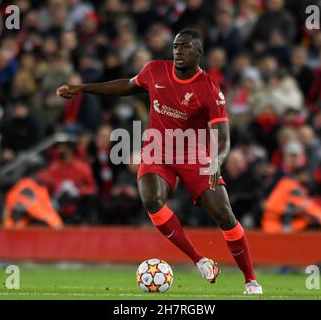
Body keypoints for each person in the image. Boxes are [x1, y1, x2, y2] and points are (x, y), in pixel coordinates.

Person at [56, 29, 262, 294]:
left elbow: (222, 137)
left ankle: (250, 280)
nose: (178, 51)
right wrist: (83, 88)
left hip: (194, 154)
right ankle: (199, 260)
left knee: (225, 216)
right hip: (157, 150)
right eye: (176, 46)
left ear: (198, 52)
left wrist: (217, 161)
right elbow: (126, 87)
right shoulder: (155, 70)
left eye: (185, 47)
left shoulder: (209, 89)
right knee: (152, 200)